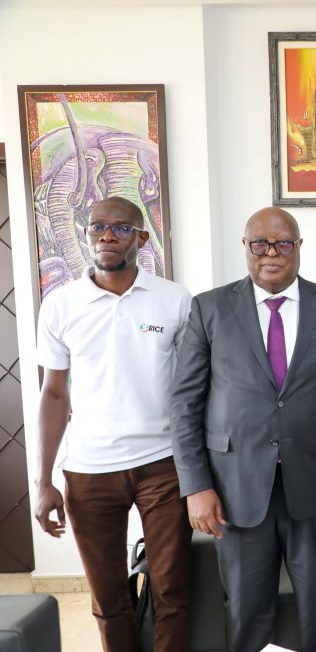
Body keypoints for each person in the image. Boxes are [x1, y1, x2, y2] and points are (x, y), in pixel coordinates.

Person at [170, 207, 316, 652]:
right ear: (246, 246)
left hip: (314, 481)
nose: (271, 253)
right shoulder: (210, 308)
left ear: (299, 248)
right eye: (260, 243)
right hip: (235, 486)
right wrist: (195, 485)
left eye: (283, 244)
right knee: (247, 608)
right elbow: (184, 403)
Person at [34, 196, 193, 652]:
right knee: (108, 598)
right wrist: (43, 481)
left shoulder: (174, 300)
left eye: (121, 228)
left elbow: (192, 388)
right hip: (89, 470)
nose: (107, 236)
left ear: (141, 238)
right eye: (97, 227)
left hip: (164, 465)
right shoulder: (60, 305)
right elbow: (54, 394)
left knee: (172, 591)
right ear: (86, 234)